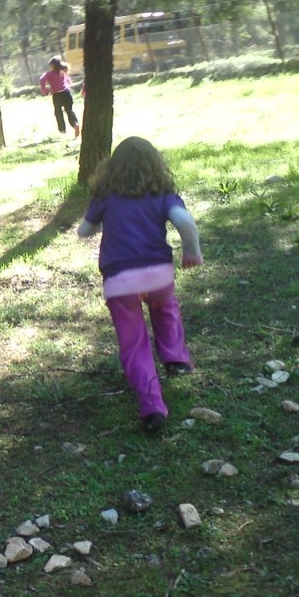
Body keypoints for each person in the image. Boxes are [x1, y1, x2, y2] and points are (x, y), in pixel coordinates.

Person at [77, 137, 203, 432]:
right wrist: (192, 251)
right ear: (155, 165)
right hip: (158, 274)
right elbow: (184, 220)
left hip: (119, 280)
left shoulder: (107, 196)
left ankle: (152, 408)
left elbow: (84, 230)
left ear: (112, 169)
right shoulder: (161, 193)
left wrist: (93, 224)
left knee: (133, 343)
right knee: (165, 308)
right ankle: (176, 358)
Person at [39, 56, 81, 137]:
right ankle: (75, 124)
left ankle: (62, 129)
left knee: (58, 112)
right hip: (66, 93)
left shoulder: (48, 74)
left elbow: (41, 80)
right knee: (69, 110)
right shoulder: (62, 71)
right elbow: (68, 80)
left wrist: (45, 91)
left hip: (57, 95)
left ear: (52, 65)